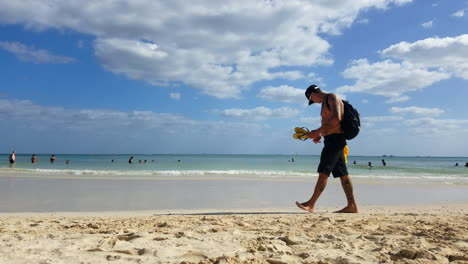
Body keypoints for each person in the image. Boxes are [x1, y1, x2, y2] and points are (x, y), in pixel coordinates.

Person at [296, 85, 358, 214]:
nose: (314, 102)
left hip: (335, 141)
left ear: (313, 93)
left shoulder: (332, 98)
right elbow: (330, 124)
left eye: (312, 99)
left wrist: (317, 131)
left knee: (324, 171)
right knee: (343, 175)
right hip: (332, 139)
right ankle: (352, 206)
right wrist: (320, 134)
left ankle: (311, 204)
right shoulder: (326, 101)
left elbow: (336, 120)